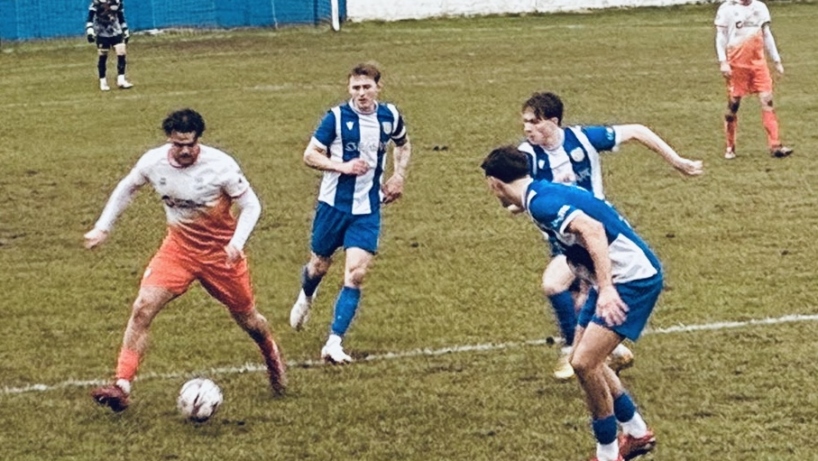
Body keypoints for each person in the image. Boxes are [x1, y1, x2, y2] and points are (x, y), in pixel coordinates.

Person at [84, 108, 285, 412]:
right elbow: (127, 188)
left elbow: (251, 206)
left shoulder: (220, 165)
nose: (186, 150)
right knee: (142, 308)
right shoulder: (153, 162)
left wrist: (236, 243)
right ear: (169, 140)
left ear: (198, 140)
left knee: (248, 319)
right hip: (178, 250)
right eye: (179, 144)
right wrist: (103, 227)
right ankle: (121, 385)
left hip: (221, 256)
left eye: (191, 144)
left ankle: (272, 357)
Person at [482, 145, 661, 461]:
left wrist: (606, 289)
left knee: (584, 363)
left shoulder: (543, 204)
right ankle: (635, 432)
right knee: (584, 357)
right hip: (605, 278)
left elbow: (592, 230)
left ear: (495, 183)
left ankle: (607, 453)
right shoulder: (537, 194)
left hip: (629, 280)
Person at [516, 91, 703, 380]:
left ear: (554, 122)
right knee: (580, 300)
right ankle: (608, 353)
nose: (528, 128)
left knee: (556, 286)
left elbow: (637, 131)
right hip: (564, 242)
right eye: (525, 122)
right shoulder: (526, 156)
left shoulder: (582, 139)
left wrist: (676, 161)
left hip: (597, 237)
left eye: (534, 122)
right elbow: (518, 195)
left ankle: (573, 352)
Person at [289, 63, 412, 364]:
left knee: (356, 274)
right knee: (319, 265)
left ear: (377, 88)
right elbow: (310, 154)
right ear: (349, 89)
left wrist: (398, 176)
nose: (361, 93)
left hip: (368, 209)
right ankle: (306, 295)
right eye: (356, 88)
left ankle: (334, 342)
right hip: (333, 206)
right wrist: (341, 166)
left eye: (366, 87)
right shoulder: (336, 118)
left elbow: (404, 144)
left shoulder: (390, 116)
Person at [715, 0, 792, 159]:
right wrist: (723, 61)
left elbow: (766, 34)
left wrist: (776, 60)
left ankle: (775, 146)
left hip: (758, 64)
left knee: (767, 100)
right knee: (733, 106)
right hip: (736, 64)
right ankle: (730, 146)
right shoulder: (727, 8)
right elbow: (721, 36)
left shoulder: (760, 7)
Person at [86, 0, 133, 91]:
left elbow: (121, 17)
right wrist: (90, 30)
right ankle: (103, 81)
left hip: (115, 31)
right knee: (103, 55)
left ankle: (121, 79)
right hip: (101, 32)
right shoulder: (97, 3)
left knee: (121, 52)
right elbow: (90, 18)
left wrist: (125, 30)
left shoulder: (118, 3)